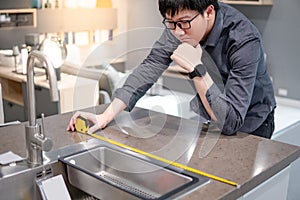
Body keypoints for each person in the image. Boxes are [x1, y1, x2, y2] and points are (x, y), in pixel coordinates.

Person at [67, 0, 276, 139]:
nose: (177, 31)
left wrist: (197, 70)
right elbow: (149, 67)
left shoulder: (243, 39)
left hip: (251, 122)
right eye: (171, 23)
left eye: (184, 23)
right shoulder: (179, 28)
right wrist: (105, 116)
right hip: (212, 115)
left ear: (209, 11)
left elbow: (231, 122)